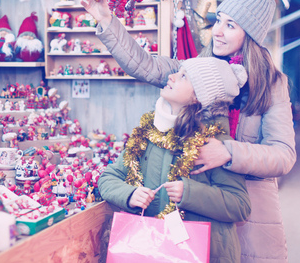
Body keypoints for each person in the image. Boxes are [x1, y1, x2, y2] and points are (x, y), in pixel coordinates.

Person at [82, 0, 296, 263]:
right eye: (218, 20)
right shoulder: (197, 70)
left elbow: (283, 154)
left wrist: (230, 152)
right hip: (194, 209)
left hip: (244, 208)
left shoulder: (271, 84)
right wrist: (107, 21)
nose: (217, 31)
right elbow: (145, 65)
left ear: (250, 35)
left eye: (230, 25)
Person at [99, 57, 251, 262]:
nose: (171, 77)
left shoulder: (214, 144)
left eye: (183, 76)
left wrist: (189, 192)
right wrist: (129, 194)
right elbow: (109, 177)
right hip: (149, 250)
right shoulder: (148, 133)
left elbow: (240, 205)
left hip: (203, 255)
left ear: (199, 96)